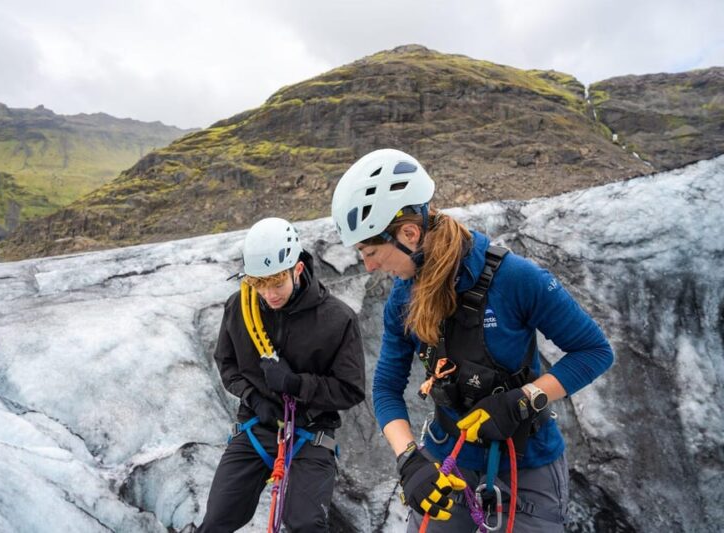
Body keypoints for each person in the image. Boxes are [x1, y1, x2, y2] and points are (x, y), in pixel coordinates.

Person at [330, 149, 614, 532]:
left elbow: (594, 351)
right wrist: (410, 460)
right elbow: (385, 387)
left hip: (527, 469)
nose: (369, 265)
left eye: (371, 251)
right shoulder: (402, 300)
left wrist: (524, 400)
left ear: (409, 234)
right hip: (449, 465)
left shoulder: (515, 278)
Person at [196, 217, 366, 533]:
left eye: (277, 284)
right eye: (259, 285)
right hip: (256, 426)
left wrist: (295, 384)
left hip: (310, 432)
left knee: (306, 525)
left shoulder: (337, 319)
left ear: (297, 270)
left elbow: (350, 389)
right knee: (217, 521)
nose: (269, 294)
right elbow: (228, 365)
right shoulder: (239, 307)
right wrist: (255, 399)